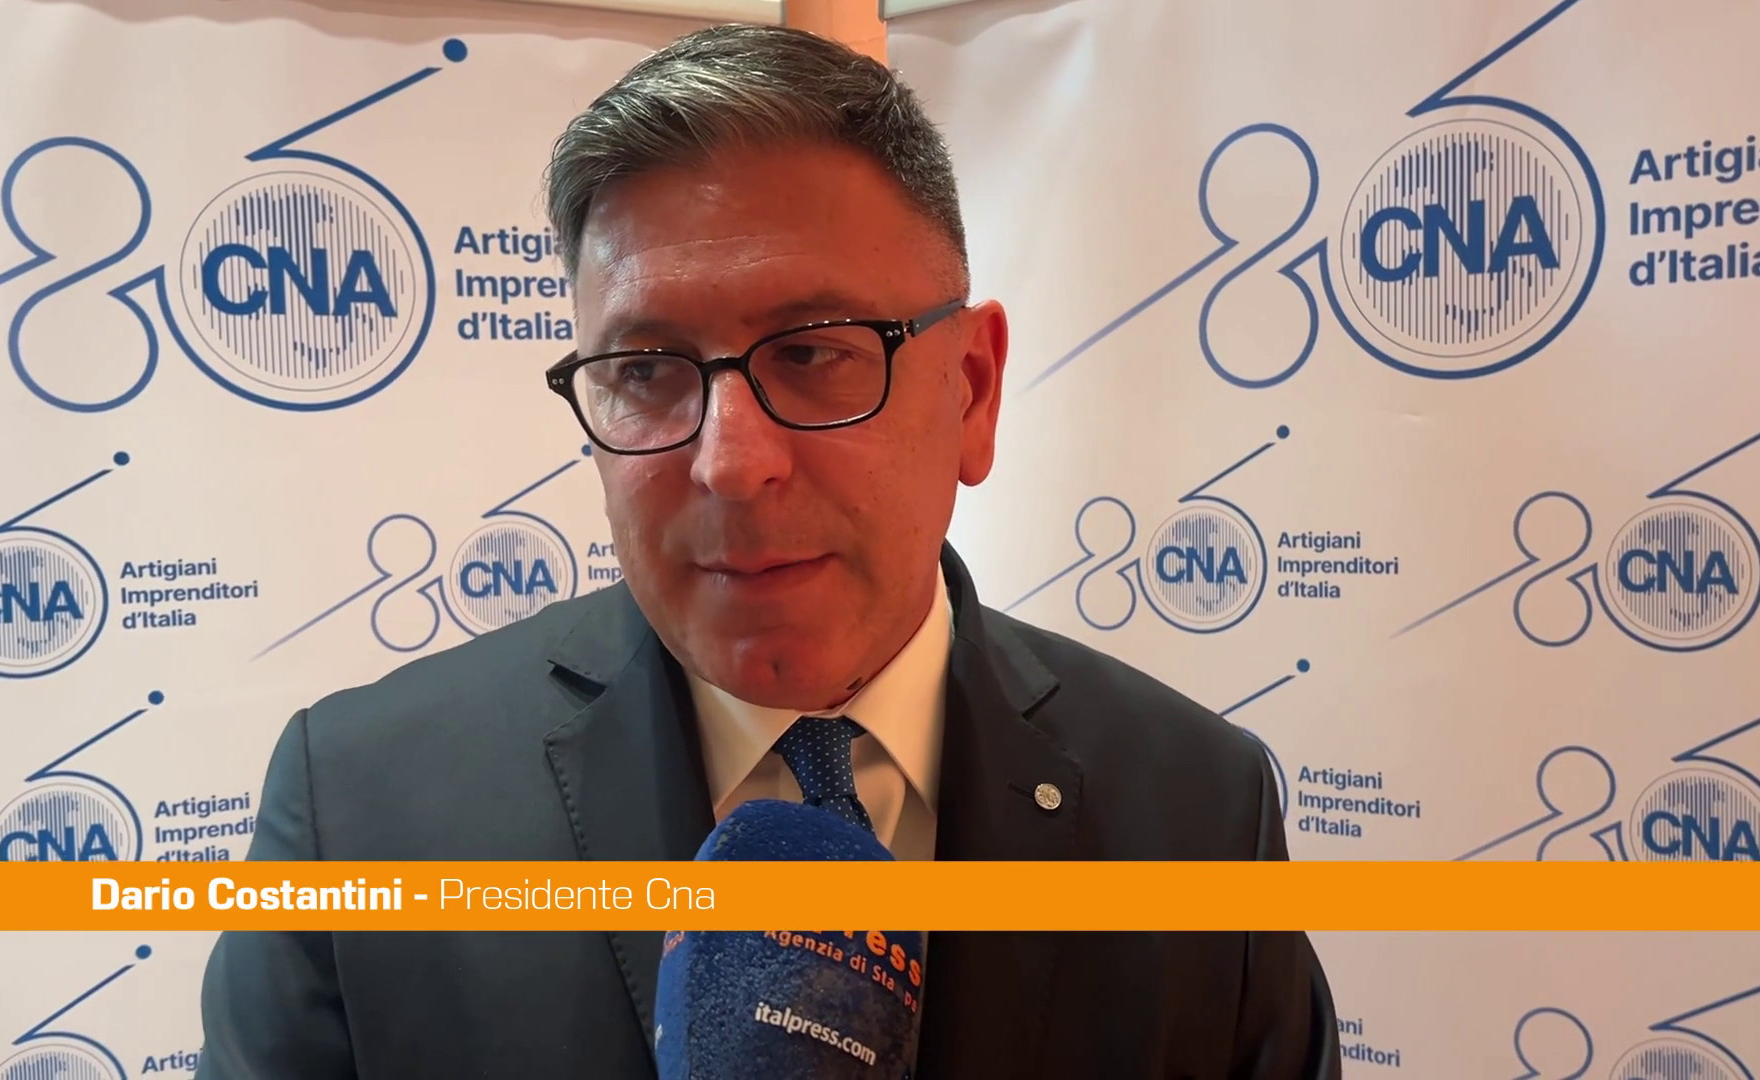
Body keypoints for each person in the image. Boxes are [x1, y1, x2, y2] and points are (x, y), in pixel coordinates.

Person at [195, 24, 1339, 1080]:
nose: (732, 463)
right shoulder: (361, 814)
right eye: (646, 370)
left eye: (814, 352)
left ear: (971, 391)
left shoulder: (1196, 811)